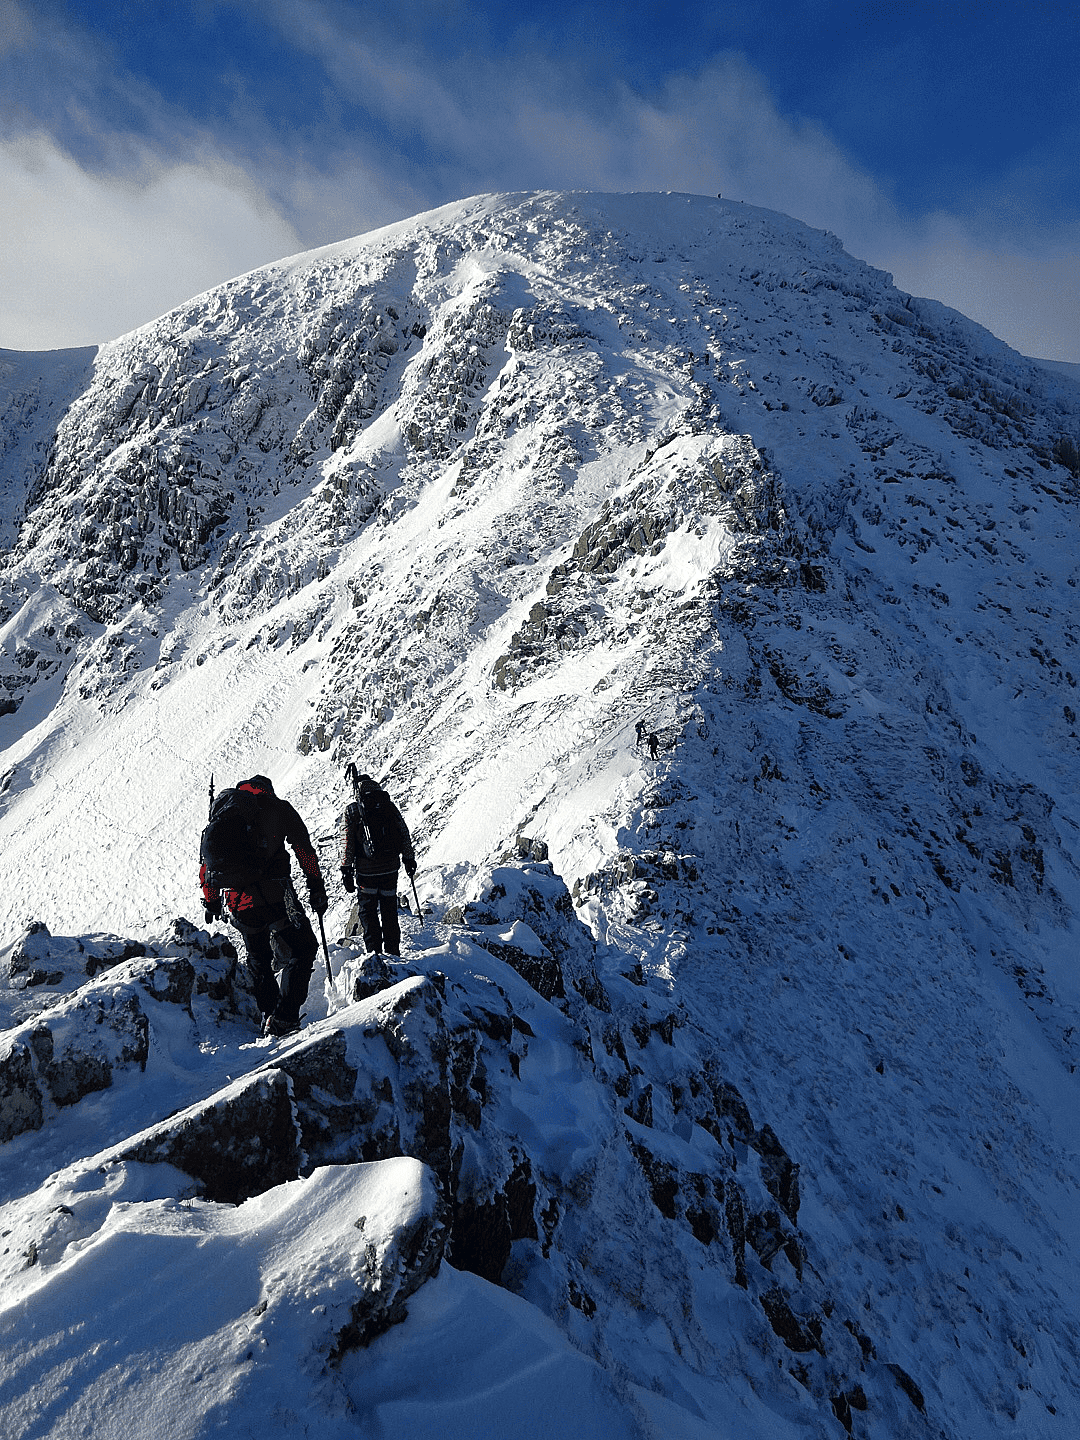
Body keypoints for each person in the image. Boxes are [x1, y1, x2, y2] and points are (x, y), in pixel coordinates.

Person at [200, 774, 327, 1037]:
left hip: (239, 903)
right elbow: (304, 849)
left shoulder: (225, 814)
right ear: (267, 789)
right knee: (303, 948)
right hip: (276, 895)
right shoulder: (278, 808)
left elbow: (208, 865)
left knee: (259, 958)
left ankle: (268, 1015)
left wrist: (212, 901)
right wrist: (316, 885)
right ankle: (284, 1017)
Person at [340, 768, 416, 956]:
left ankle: (374, 953)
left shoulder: (352, 810)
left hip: (366, 873)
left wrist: (346, 869)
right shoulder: (388, 806)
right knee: (389, 910)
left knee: (368, 912)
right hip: (390, 868)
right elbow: (403, 832)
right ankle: (393, 952)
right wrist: (408, 859)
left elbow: (347, 843)